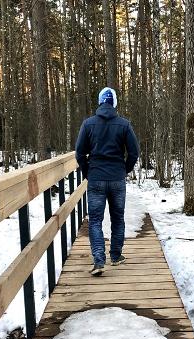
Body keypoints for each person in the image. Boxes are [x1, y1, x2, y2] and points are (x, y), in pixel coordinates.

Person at [75, 87, 140, 276]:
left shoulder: (88, 124)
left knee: (95, 220)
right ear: (114, 103)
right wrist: (124, 169)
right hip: (117, 179)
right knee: (117, 218)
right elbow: (134, 152)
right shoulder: (124, 125)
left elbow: (79, 152)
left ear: (100, 101)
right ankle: (116, 256)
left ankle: (98, 259)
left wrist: (87, 171)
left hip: (96, 178)